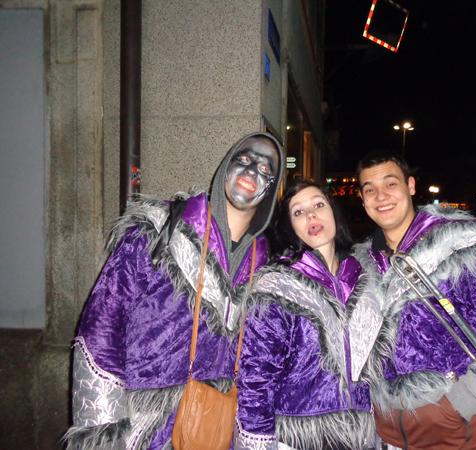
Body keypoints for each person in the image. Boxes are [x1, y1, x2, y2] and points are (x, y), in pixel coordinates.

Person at [64, 132, 284, 449]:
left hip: (213, 431)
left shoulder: (264, 267)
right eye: (245, 160)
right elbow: (102, 327)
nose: (252, 172)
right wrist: (102, 432)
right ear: (226, 166)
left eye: (265, 169)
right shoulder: (159, 229)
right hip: (143, 430)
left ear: (271, 188)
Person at [352, 150, 476, 450]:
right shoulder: (362, 265)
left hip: (459, 431)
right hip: (389, 434)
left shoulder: (462, 249)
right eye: (370, 189)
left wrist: (460, 403)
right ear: (362, 199)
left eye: (390, 184)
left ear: (411, 186)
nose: (381, 196)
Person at [234, 181, 383, 450]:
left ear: (333, 212)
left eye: (318, 205)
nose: (311, 215)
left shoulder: (365, 278)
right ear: (290, 226)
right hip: (298, 437)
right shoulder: (277, 287)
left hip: (361, 435)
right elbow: (255, 379)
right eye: (298, 212)